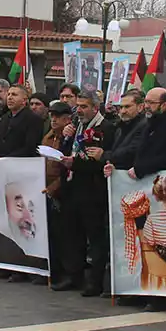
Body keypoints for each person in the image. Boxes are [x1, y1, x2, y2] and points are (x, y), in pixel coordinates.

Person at [57, 89, 115, 295]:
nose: (79, 110)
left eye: (84, 107)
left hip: (93, 189)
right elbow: (68, 150)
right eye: (78, 106)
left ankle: (95, 281)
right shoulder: (77, 126)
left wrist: (76, 163)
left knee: (95, 236)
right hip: (72, 187)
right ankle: (74, 276)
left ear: (95, 107)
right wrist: (65, 140)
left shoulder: (105, 128)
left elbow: (100, 160)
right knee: (72, 234)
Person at [43, 101, 75, 286]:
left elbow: (65, 170)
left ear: (67, 119)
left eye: (58, 117)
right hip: (45, 190)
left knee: (65, 235)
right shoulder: (47, 136)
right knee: (52, 235)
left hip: (61, 191)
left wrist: (53, 189)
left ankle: (67, 273)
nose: (53, 120)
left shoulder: (68, 138)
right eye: (52, 116)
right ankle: (53, 270)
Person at [102, 89, 145, 179]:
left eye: (127, 107)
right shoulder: (120, 127)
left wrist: (104, 155)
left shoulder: (144, 126)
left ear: (140, 107)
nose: (123, 111)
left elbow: (132, 152)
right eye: (121, 107)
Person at [0, 85, 41, 158]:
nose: (10, 97)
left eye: (14, 95)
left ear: (24, 100)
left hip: (21, 164)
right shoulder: (5, 118)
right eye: (8, 94)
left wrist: (6, 158)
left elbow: (30, 148)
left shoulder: (33, 119)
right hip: (1, 164)